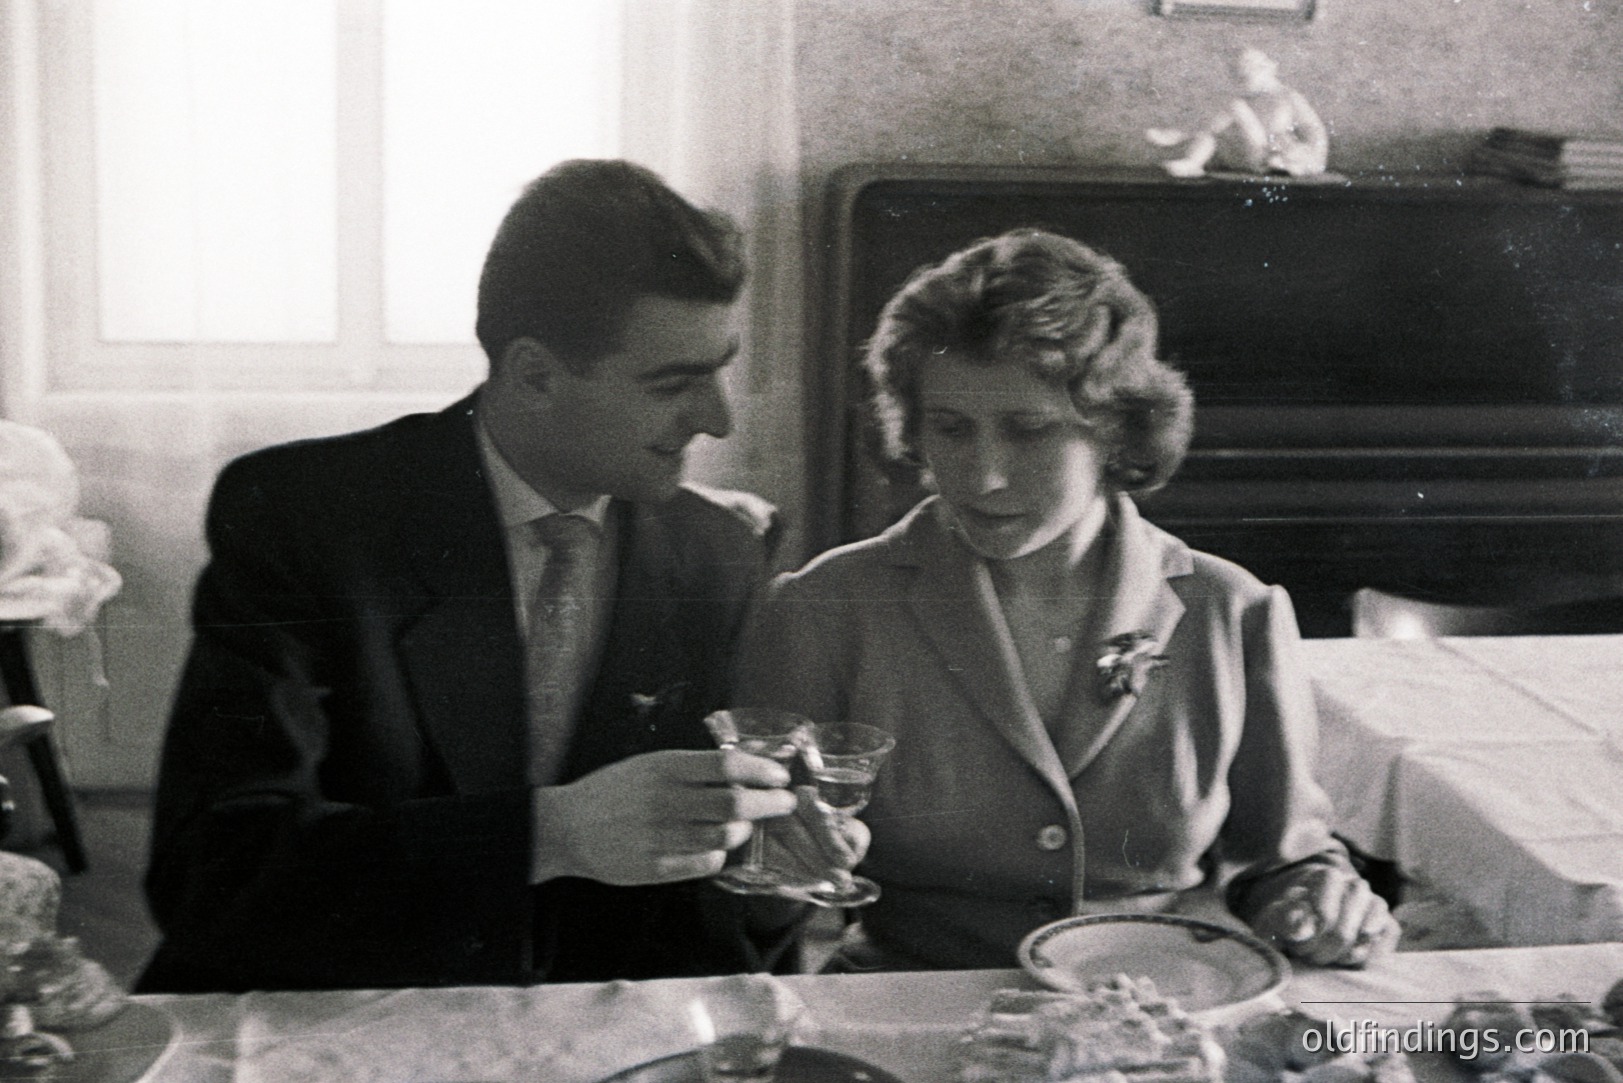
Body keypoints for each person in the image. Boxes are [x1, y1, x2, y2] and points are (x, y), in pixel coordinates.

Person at [140, 160, 817, 993]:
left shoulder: (717, 554)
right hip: (337, 1005)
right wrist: (548, 833)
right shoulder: (306, 518)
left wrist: (771, 884)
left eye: (719, 369)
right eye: (672, 383)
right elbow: (215, 871)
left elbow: (698, 927)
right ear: (533, 374)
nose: (717, 418)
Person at [733, 229, 1399, 972]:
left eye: (1028, 431)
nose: (983, 476)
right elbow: (753, 901)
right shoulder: (824, 608)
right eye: (951, 429)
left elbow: (1282, 861)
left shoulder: (1232, 611)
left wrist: (1317, 899)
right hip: (908, 1005)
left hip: (1162, 1009)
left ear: (1115, 430)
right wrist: (777, 873)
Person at [1147, 47, 1329, 178]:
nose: (1239, 83)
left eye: (1244, 78)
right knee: (1211, 134)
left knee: (1234, 105)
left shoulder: (1288, 97)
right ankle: (1192, 162)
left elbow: (1314, 129)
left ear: (1267, 70)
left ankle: (1180, 134)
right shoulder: (1249, 99)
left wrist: (1310, 157)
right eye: (1237, 78)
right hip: (1245, 155)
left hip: (1270, 157)